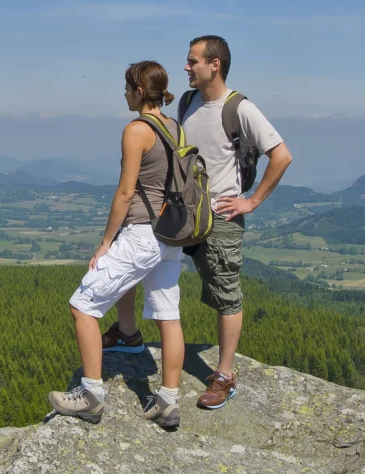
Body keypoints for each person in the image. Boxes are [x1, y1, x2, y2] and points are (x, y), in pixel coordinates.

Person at [115, 34, 292, 410]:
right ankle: (127, 332)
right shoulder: (188, 100)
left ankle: (224, 376)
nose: (186, 67)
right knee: (132, 260)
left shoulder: (239, 108)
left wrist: (251, 201)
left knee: (225, 293)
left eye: (193, 60)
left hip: (219, 217)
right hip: (180, 211)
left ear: (215, 65)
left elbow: (282, 155)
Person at [48, 61, 186, 429]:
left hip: (141, 233)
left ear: (140, 91)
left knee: (82, 306)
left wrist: (106, 242)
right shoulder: (174, 127)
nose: (124, 94)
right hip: (170, 237)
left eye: (127, 88)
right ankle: (168, 400)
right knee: (168, 315)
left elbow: (126, 193)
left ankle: (91, 396)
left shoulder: (137, 130)